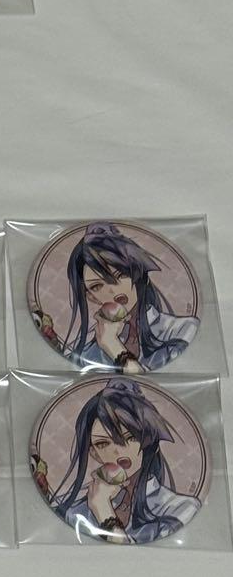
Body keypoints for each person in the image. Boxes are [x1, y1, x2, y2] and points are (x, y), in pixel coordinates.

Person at [46, 379, 200, 544]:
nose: (118, 451)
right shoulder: (76, 512)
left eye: (131, 437)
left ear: (151, 443)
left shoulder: (180, 507)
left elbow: (136, 556)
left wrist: (104, 513)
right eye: (103, 443)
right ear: (94, 453)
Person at [62, 222, 198, 372]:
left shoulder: (183, 329)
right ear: (91, 297)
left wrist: (114, 347)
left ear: (141, 274)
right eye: (97, 286)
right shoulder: (87, 355)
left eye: (121, 274)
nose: (113, 290)